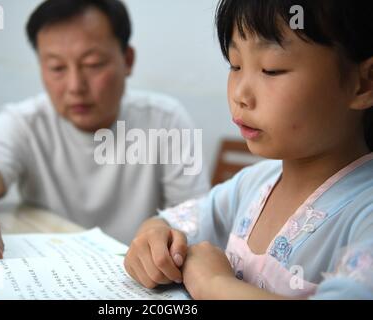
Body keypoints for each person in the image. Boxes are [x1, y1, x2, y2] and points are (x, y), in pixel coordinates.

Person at [0, 0, 209, 268]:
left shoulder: (165, 119)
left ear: (128, 60)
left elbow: (195, 216)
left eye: (93, 64)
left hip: (140, 277)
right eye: (57, 67)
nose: (75, 85)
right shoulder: (26, 122)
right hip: (50, 271)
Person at [124, 0, 373, 299]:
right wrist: (153, 239)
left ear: (363, 84)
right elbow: (168, 223)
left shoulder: (364, 215)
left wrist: (214, 284)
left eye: (271, 69)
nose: (240, 94)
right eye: (235, 65)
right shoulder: (253, 184)